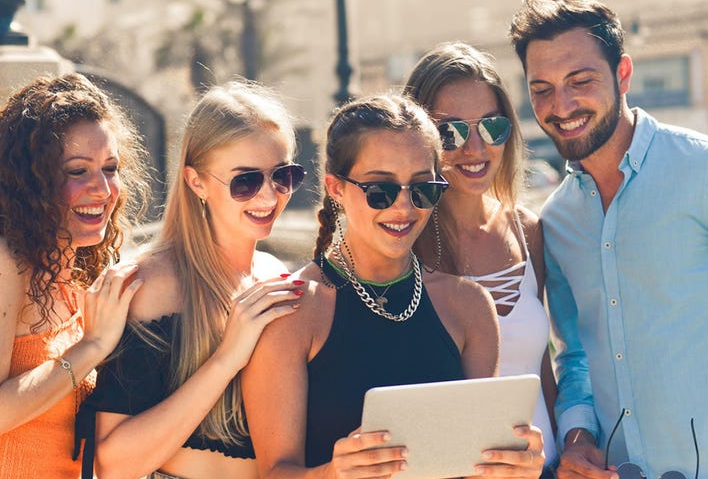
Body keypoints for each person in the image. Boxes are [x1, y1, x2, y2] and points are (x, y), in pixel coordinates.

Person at [508, 0, 708, 479]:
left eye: (581, 81)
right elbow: (574, 357)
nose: (562, 105)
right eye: (542, 89)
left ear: (623, 74)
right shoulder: (557, 219)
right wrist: (578, 436)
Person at [242, 93, 545, 478]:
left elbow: (478, 464)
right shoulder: (292, 312)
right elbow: (274, 472)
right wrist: (333, 473)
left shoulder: (469, 307)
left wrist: (513, 467)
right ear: (336, 188)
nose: (403, 207)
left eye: (422, 189)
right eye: (380, 190)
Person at [76, 81, 307, 479]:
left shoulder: (277, 274)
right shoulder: (151, 285)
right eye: (246, 182)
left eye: (283, 176)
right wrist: (226, 360)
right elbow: (113, 465)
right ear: (196, 181)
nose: (270, 197)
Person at [403, 41, 558, 471]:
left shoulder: (529, 232)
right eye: (450, 132)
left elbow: (542, 369)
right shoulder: (403, 244)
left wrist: (572, 448)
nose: (475, 148)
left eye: (491, 127)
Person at [0, 72, 149, 478]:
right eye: (78, 171)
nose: (102, 189)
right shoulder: (8, 263)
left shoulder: (81, 273)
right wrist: (91, 347)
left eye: (110, 168)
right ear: (32, 182)